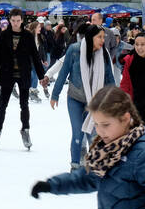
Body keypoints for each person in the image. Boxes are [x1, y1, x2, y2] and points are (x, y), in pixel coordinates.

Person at [50, 24, 116, 171]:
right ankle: (75, 165)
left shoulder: (103, 54)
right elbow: (63, 73)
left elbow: (110, 79)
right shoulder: (74, 50)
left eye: (103, 37)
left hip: (95, 102)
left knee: (93, 134)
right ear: (90, 37)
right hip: (75, 99)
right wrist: (55, 94)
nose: (102, 40)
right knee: (78, 133)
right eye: (99, 37)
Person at [0, 8, 49, 150]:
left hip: (23, 74)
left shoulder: (28, 36)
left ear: (22, 20)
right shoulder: (4, 35)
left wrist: (41, 76)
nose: (15, 23)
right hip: (7, 73)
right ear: (10, 20)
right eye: (13, 20)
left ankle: (25, 130)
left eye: (18, 20)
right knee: (2, 105)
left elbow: (35, 56)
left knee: (24, 105)